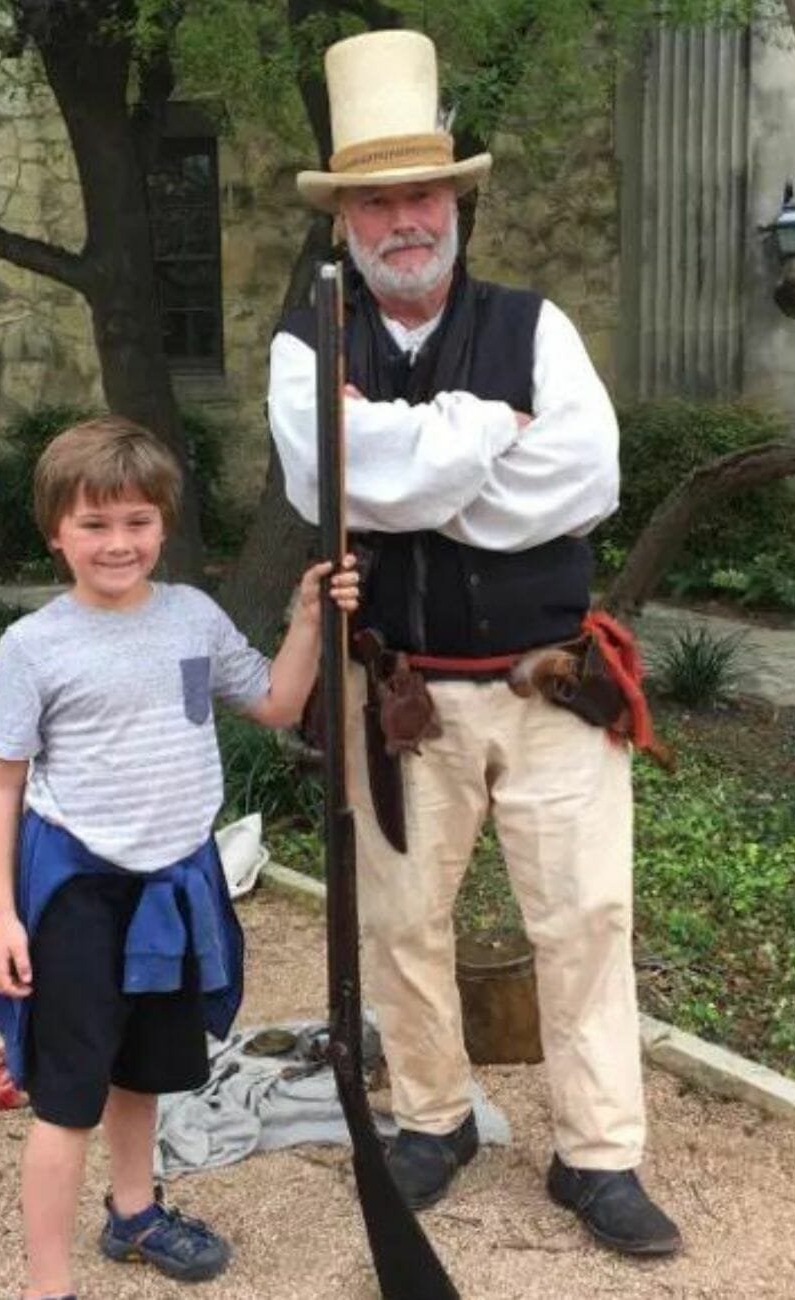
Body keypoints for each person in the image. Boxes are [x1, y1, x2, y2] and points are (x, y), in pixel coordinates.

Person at [267, 30, 682, 1257]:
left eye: (423, 193)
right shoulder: (309, 342)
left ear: (456, 201)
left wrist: (406, 459)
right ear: (346, 217)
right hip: (397, 697)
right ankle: (437, 1116)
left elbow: (583, 479)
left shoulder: (535, 327)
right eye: (378, 199)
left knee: (586, 917)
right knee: (401, 922)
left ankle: (598, 1154)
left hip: (551, 690)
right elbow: (325, 480)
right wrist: (481, 434)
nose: (405, 219)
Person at [0, 415, 358, 1300]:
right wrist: (1, 916)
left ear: (164, 525)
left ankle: (136, 1212)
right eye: (95, 524)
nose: (118, 543)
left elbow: (274, 701)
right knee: (69, 1095)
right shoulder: (34, 646)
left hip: (176, 885)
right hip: (77, 892)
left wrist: (306, 618)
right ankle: (48, 1284)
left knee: (144, 1069)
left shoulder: (193, 618)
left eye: (137, 522)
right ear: (55, 531)